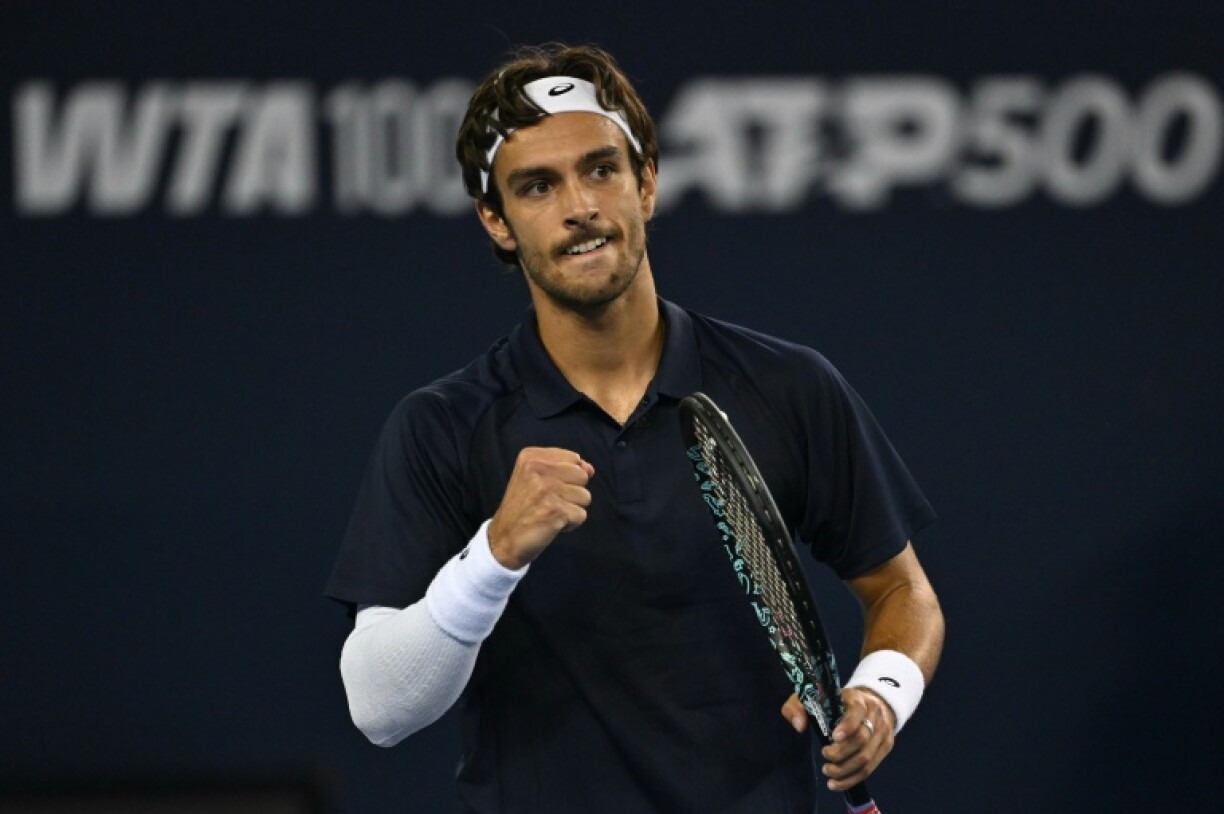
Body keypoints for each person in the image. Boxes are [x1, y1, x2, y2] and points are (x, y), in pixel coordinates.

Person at [326, 43, 944, 813]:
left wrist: (880, 694)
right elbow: (379, 710)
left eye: (600, 169)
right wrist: (494, 554)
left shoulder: (789, 387)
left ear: (645, 181)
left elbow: (902, 590)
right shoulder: (442, 428)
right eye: (537, 186)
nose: (580, 206)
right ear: (497, 220)